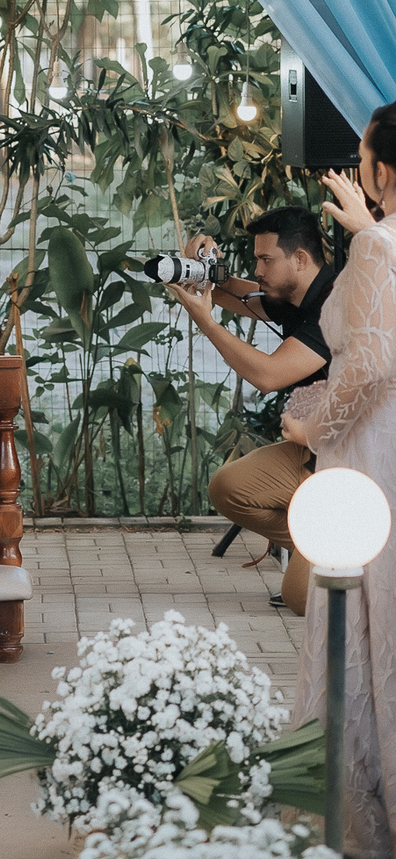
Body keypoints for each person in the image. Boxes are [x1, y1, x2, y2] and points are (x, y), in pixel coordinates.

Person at [289, 102, 396, 859]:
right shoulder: (378, 244)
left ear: (382, 170)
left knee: (365, 624)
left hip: (375, 457)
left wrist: (310, 426)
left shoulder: (377, 251)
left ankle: (363, 818)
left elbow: (366, 367)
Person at [168, 207, 343, 615]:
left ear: (300, 259)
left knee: (304, 601)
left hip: (355, 457)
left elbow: (268, 374)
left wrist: (207, 324)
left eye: (266, 260)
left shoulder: (334, 304)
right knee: (229, 487)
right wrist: (201, 271)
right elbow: (240, 297)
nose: (258, 269)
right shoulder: (296, 293)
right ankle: (318, 540)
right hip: (315, 447)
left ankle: (362, 548)